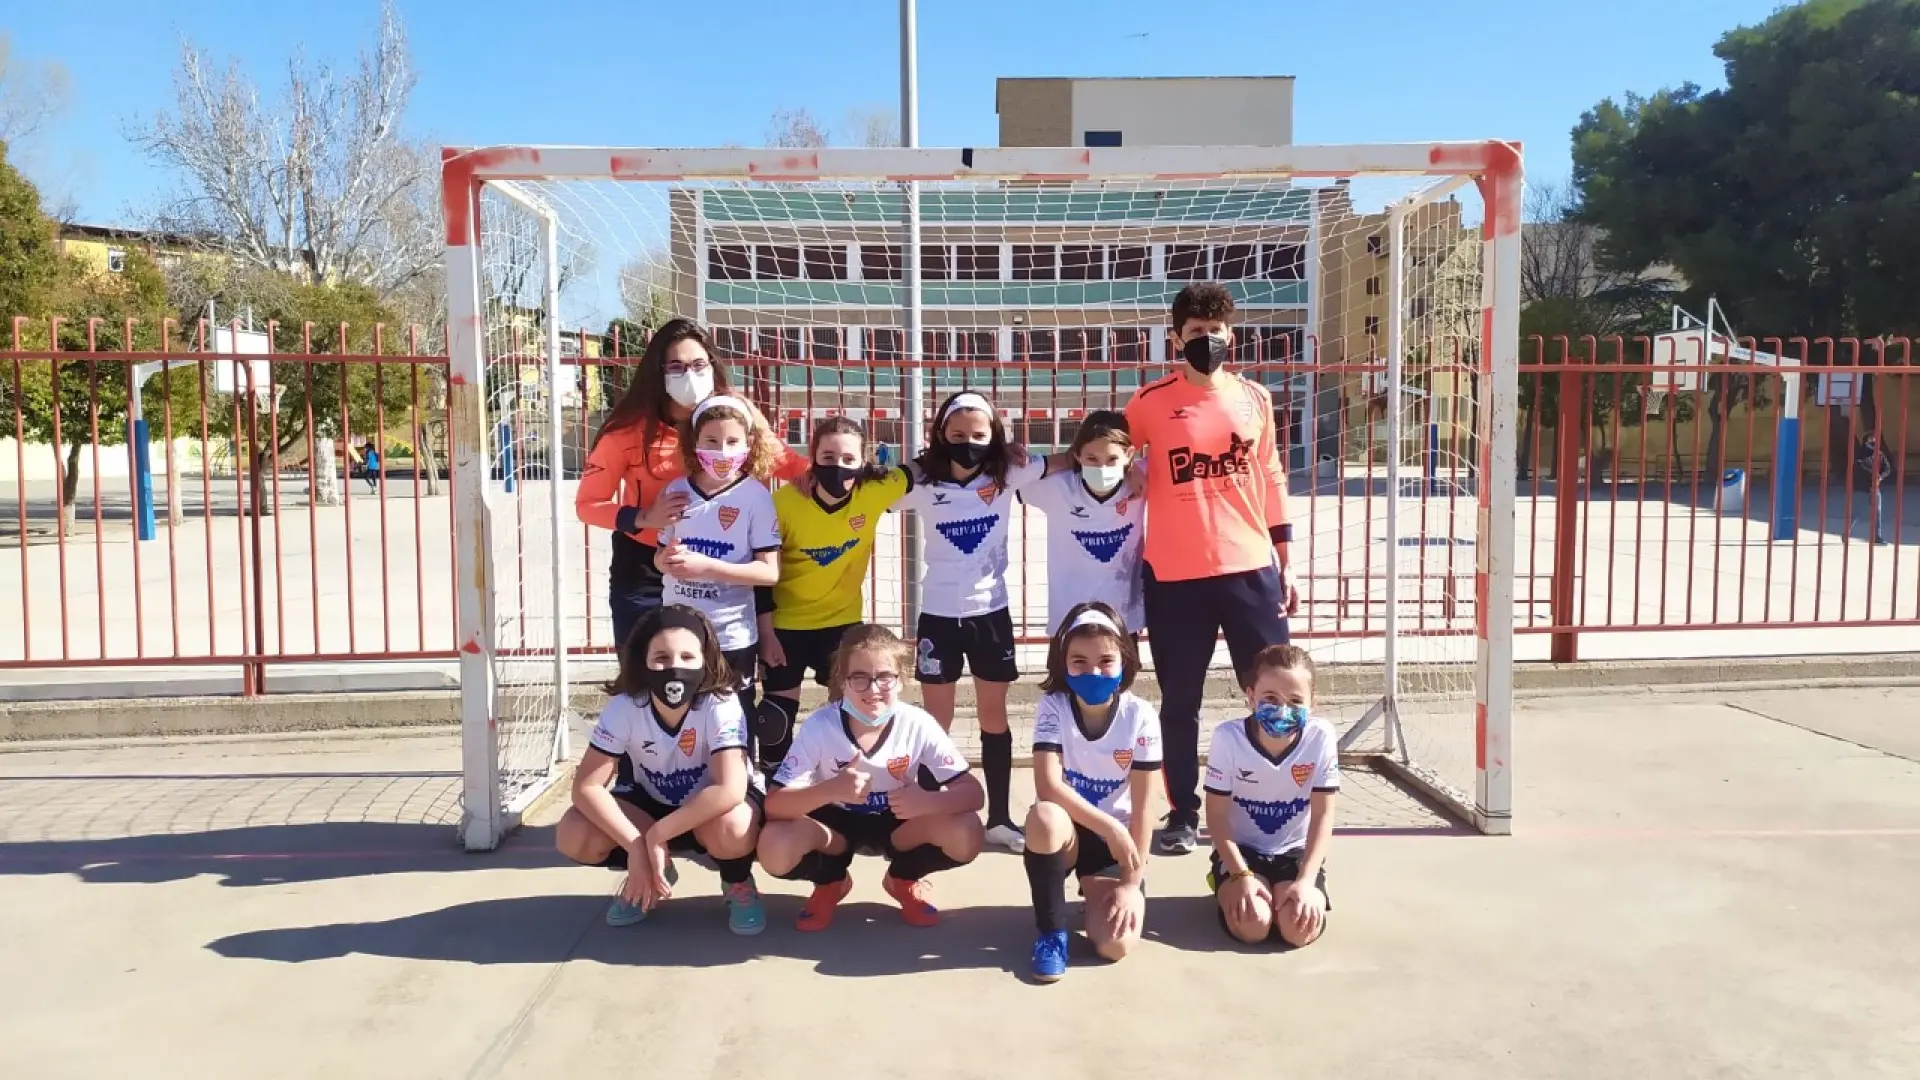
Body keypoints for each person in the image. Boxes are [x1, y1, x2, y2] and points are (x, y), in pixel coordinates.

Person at [1126, 283, 1299, 856]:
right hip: (1174, 578)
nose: (1207, 341)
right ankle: (1182, 814)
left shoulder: (1255, 398)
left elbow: (1271, 475)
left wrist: (1286, 560)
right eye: (1195, 333)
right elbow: (1108, 461)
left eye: (1216, 331)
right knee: (1180, 702)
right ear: (1178, 338)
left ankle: (1273, 800)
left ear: (1232, 334)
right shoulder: (1147, 403)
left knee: (1275, 694)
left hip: (1250, 568)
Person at [575, 317, 806, 654]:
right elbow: (587, 504)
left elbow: (789, 464)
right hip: (647, 568)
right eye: (676, 366)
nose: (690, 375)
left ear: (712, 365)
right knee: (645, 677)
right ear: (658, 371)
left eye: (699, 364)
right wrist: (643, 518)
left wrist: (854, 475)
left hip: (726, 567)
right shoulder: (626, 430)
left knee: (717, 680)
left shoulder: (736, 414)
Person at [895, 389, 1056, 853]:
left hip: (991, 615)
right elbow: (874, 495)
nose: (968, 441)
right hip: (938, 618)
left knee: (992, 716)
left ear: (995, 436)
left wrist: (1128, 466)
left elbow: (1067, 461)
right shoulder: (924, 482)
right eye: (958, 433)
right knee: (935, 720)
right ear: (942, 434)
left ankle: (1001, 819)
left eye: (979, 434)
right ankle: (925, 807)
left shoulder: (1008, 473)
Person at [553, 604, 767, 936]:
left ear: (705, 660)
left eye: (687, 657)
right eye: (662, 658)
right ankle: (653, 871)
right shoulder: (626, 706)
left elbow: (729, 789)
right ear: (644, 662)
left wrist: (656, 835)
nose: (674, 667)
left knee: (734, 827)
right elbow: (586, 787)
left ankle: (736, 880)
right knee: (573, 833)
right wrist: (637, 844)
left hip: (710, 810)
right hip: (652, 803)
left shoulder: (721, 703)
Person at [756, 623, 985, 931]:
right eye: (860, 678)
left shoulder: (918, 723)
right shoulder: (821, 726)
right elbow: (774, 805)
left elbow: (973, 794)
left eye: (884, 677)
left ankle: (902, 878)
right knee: (774, 846)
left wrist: (928, 802)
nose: (873, 689)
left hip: (899, 821)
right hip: (835, 827)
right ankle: (831, 882)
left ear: (901, 679)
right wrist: (830, 789)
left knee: (967, 831)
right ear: (842, 679)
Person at [757, 416, 913, 775]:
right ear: (812, 458)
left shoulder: (874, 490)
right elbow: (761, 578)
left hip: (842, 624)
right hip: (786, 625)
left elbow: (919, 468)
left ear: (863, 462)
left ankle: (845, 778)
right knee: (775, 717)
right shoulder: (782, 504)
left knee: (853, 707)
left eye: (848, 459)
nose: (838, 467)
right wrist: (766, 636)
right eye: (827, 458)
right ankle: (774, 785)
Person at [1022, 602, 1161, 983]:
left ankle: (1096, 889)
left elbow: (1146, 806)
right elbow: (1048, 785)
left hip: (1113, 847)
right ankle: (1051, 932)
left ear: (1125, 661)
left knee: (1113, 946)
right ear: (1063, 662)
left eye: (1105, 660)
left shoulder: (1141, 715)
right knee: (1044, 817)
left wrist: (1132, 884)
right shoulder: (1053, 706)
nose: (1093, 671)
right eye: (1079, 661)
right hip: (1071, 833)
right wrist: (1112, 828)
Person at [1203, 643, 1337, 948]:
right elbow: (1216, 817)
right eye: (1270, 699)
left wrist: (1305, 880)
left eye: (1295, 700)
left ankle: (1299, 887)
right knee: (1254, 926)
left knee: (1297, 930)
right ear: (1250, 697)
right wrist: (1242, 876)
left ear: (1312, 702)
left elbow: (1323, 815)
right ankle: (1224, 880)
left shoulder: (1321, 736)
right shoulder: (1228, 738)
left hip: (1294, 853)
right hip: (1243, 852)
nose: (1282, 709)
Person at [654, 395, 782, 712]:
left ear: (748, 442)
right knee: (679, 713)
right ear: (695, 440)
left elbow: (769, 573)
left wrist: (706, 567)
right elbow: (658, 561)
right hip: (678, 631)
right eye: (711, 440)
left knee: (733, 717)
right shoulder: (675, 491)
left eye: (732, 441)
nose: (722, 451)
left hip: (731, 635)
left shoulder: (756, 496)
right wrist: (666, 560)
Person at [1016, 411, 1146, 637]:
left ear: (1129, 455)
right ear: (1076, 457)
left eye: (1112, 459)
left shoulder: (1141, 481)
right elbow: (1008, 478)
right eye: (1092, 459)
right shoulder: (1057, 487)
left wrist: (1134, 470)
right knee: (1066, 672)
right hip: (1068, 618)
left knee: (1119, 671)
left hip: (1123, 618)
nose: (1102, 469)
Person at [1856, 431, 1892, 546]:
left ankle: (1877, 537)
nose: (1874, 440)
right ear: (1867, 439)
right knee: (1859, 512)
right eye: (1872, 438)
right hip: (1862, 487)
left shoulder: (1879, 454)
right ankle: (1847, 532)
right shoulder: (1861, 452)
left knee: (1877, 512)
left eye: (1876, 438)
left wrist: (1880, 477)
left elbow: (1887, 468)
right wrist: (1873, 476)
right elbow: (1859, 466)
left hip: (1875, 487)